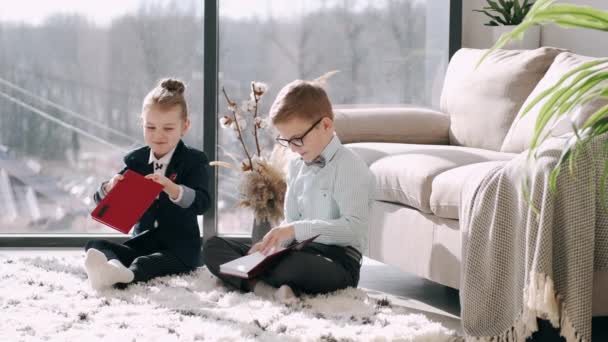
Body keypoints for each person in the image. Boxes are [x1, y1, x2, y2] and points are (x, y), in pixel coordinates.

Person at [203, 76, 373, 302]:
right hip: (296, 250)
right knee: (214, 247)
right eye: (286, 141)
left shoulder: (349, 165)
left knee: (291, 267)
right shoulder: (296, 165)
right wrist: (269, 246)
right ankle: (268, 290)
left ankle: (252, 281)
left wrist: (293, 231)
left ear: (326, 125)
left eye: (297, 139)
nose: (292, 149)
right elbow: (290, 221)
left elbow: (354, 229)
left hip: (337, 262)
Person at [84, 78, 211, 290]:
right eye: (150, 127)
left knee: (143, 263)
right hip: (143, 241)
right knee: (94, 246)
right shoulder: (136, 161)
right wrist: (109, 188)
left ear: (184, 126)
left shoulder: (193, 161)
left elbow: (203, 202)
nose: (158, 135)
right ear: (141, 124)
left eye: (168, 128)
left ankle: (122, 276)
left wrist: (173, 189)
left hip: (180, 249)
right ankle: (112, 268)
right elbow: (101, 203)